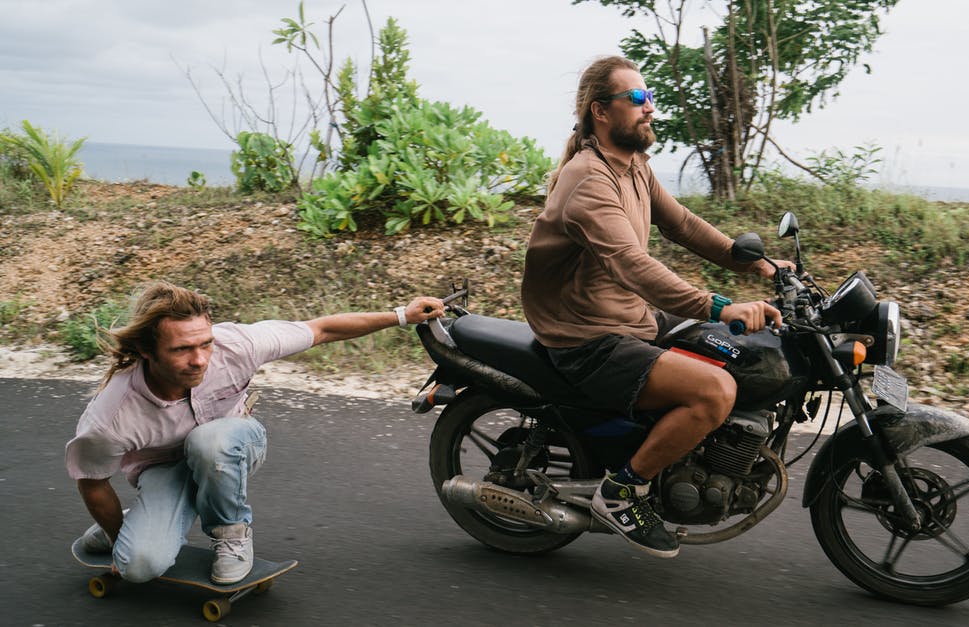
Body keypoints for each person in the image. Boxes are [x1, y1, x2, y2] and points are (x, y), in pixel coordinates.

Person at [521, 56, 791, 558]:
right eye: (639, 99)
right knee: (714, 391)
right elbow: (632, 265)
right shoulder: (589, 181)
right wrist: (718, 306)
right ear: (601, 112)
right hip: (586, 337)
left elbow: (682, 224)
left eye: (651, 98)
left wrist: (758, 265)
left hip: (627, 315)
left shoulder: (634, 166)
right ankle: (622, 492)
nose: (651, 109)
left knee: (751, 354)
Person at [66, 280, 444, 584]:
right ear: (147, 351)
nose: (199, 360)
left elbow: (322, 328)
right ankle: (133, 525)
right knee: (139, 568)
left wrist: (401, 315)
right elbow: (93, 482)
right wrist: (119, 540)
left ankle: (232, 535)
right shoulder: (110, 417)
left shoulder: (237, 346)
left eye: (205, 343)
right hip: (164, 469)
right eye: (182, 349)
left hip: (232, 443)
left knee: (209, 442)